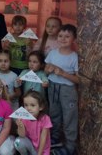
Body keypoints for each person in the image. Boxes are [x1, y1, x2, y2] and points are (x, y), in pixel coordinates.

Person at [44, 24, 79, 155]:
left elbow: (78, 80)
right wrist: (47, 70)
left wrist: (63, 73)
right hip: (53, 87)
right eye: (60, 36)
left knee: (70, 117)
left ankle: (70, 146)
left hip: (67, 91)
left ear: (74, 39)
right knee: (54, 114)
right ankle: (55, 138)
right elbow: (46, 70)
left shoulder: (74, 57)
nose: (63, 39)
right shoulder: (52, 53)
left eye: (67, 36)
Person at [14, 90, 52, 155]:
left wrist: (39, 154)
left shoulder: (45, 119)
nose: (28, 108)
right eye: (26, 105)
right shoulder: (24, 117)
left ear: (41, 107)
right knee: (17, 142)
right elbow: (22, 135)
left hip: (42, 150)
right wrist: (20, 126)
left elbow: (44, 138)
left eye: (32, 105)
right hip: (30, 145)